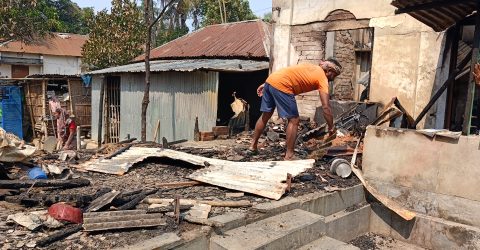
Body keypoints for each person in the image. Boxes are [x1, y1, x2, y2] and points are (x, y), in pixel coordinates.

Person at [249, 58, 342, 160]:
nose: (333, 78)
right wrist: (331, 127)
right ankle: (289, 155)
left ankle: (252, 146)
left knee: (266, 115)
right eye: (334, 75)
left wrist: (267, 84)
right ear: (329, 71)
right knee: (294, 120)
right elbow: (326, 107)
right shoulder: (322, 78)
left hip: (271, 80)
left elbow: (289, 71)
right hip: (283, 85)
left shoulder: (311, 67)